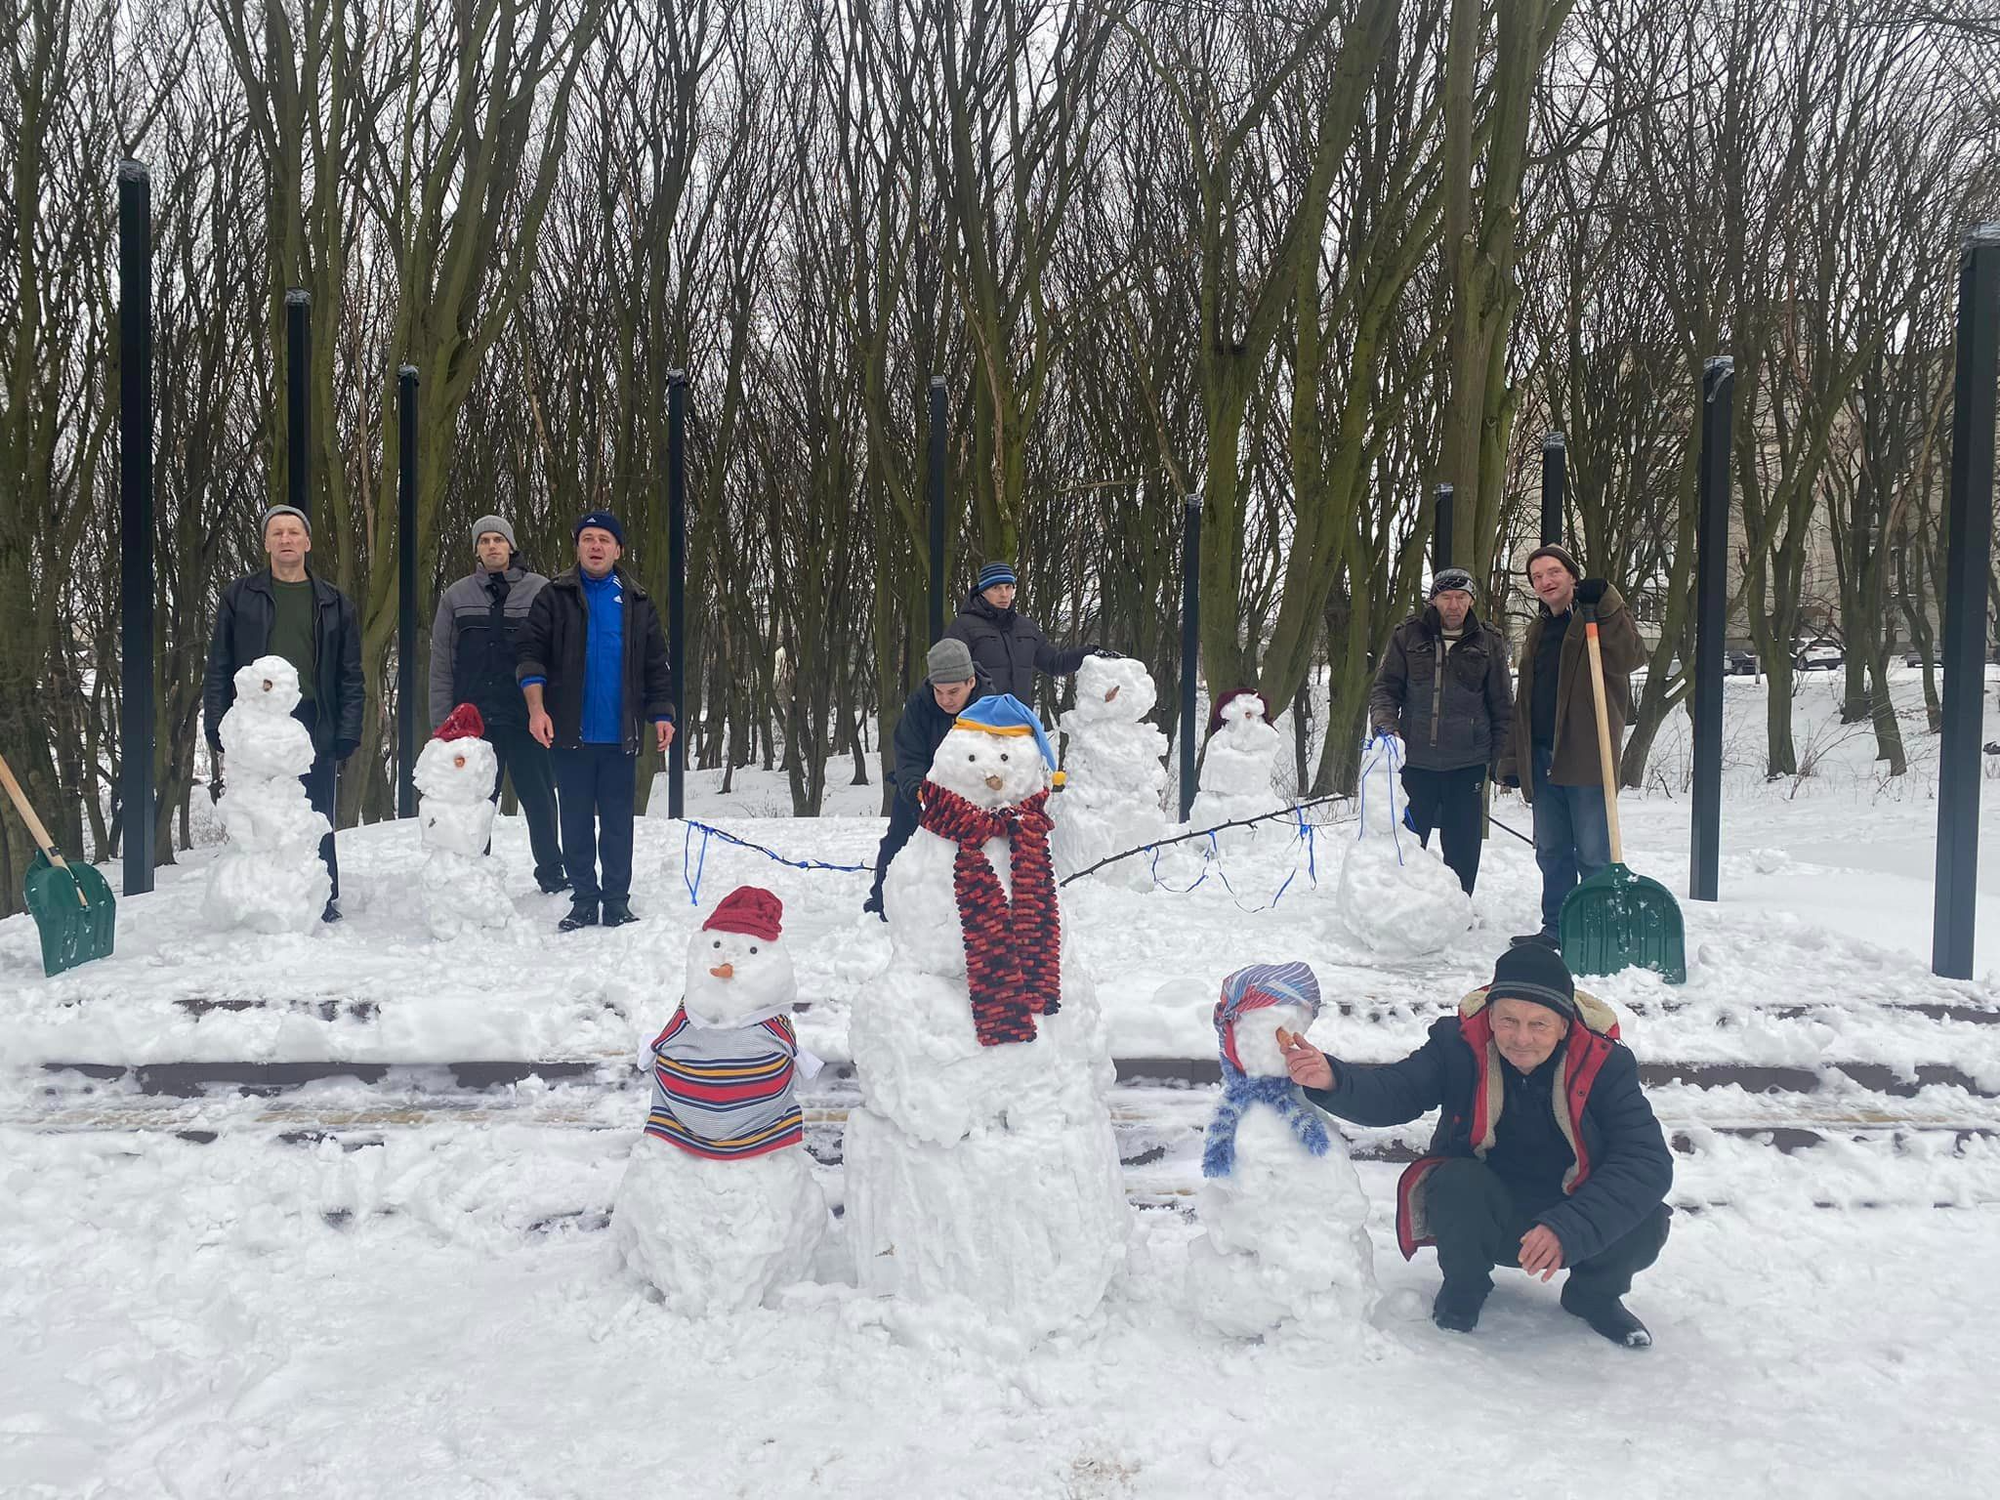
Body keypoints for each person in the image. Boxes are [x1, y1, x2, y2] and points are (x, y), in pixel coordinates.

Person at [1282, 943, 1672, 1347]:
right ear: (1489, 1016)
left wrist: (1570, 1228)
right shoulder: (1458, 1045)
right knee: (1454, 1181)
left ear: (1564, 1026)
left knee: (1646, 1218)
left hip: (1572, 1211)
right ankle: (1464, 1287)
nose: (1521, 1038)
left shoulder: (1605, 1063)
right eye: (1508, 1020)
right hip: (1485, 1213)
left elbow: (1646, 1161)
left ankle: (1593, 1296)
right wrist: (1333, 1079)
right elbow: (1398, 1090)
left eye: (1539, 1024)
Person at [202, 504, 363, 923]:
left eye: (294, 532)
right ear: (267, 542)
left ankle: (321, 897)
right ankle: (259, 901)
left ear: (307, 542)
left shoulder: (334, 602)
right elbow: (219, 662)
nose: (286, 539)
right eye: (278, 533)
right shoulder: (241, 595)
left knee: (314, 814)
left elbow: (350, 672)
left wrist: (348, 728)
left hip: (314, 719)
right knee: (260, 812)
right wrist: (217, 721)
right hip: (256, 724)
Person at [517, 510, 675, 931]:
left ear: (618, 549)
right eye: (588, 538)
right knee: (575, 820)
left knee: (619, 824)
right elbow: (531, 656)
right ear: (578, 547)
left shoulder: (638, 601)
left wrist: (661, 714)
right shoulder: (554, 596)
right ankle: (584, 900)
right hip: (569, 733)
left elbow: (656, 665)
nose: (596, 546)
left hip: (620, 734)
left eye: (604, 539)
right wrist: (537, 709)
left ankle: (616, 901)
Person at [1494, 545, 1645, 948]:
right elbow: (1524, 700)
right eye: (1537, 576)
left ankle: (1596, 929)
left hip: (1586, 756)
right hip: (1541, 755)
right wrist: (1513, 758)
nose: (1546, 580)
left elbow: (1631, 655)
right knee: (1552, 849)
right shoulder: (1537, 631)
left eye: (1553, 571)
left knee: (1594, 851)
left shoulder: (1594, 620)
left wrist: (1609, 603)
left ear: (1572, 576)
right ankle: (1557, 928)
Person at [428, 514, 566, 894]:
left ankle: (552, 872)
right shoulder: (456, 596)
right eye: (485, 540)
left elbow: (555, 656)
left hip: (526, 718)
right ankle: (474, 870)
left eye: (498, 540)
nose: (492, 546)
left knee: (539, 798)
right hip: (473, 724)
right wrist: (442, 724)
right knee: (474, 803)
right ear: (476, 549)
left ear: (511, 546)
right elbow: (442, 663)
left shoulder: (541, 591)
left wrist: (552, 710)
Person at [1368, 566, 1514, 895]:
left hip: (1468, 763)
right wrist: (1386, 730)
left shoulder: (1489, 641)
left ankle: (1458, 905)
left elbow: (1502, 706)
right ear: (1433, 600)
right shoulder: (1407, 635)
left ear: (1472, 601)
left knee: (1463, 844)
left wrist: (1502, 760)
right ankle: (1404, 903)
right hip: (1416, 761)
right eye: (1446, 597)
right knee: (1407, 841)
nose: (1453, 605)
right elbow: (1385, 691)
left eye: (1461, 597)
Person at [862, 639, 996, 919]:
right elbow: (908, 756)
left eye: (953, 692)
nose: (945, 699)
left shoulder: (992, 709)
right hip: (921, 789)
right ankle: (882, 902)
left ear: (971, 682)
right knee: (896, 840)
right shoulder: (919, 705)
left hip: (972, 796)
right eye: (939, 691)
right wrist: (915, 791)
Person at [941, 562, 1095, 707]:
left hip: (1019, 722)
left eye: (1008, 587)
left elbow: (1055, 663)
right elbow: (945, 677)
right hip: (979, 725)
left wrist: (1091, 652)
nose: (1004, 594)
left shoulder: (1026, 627)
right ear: (982, 591)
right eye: (996, 588)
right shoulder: (962, 627)